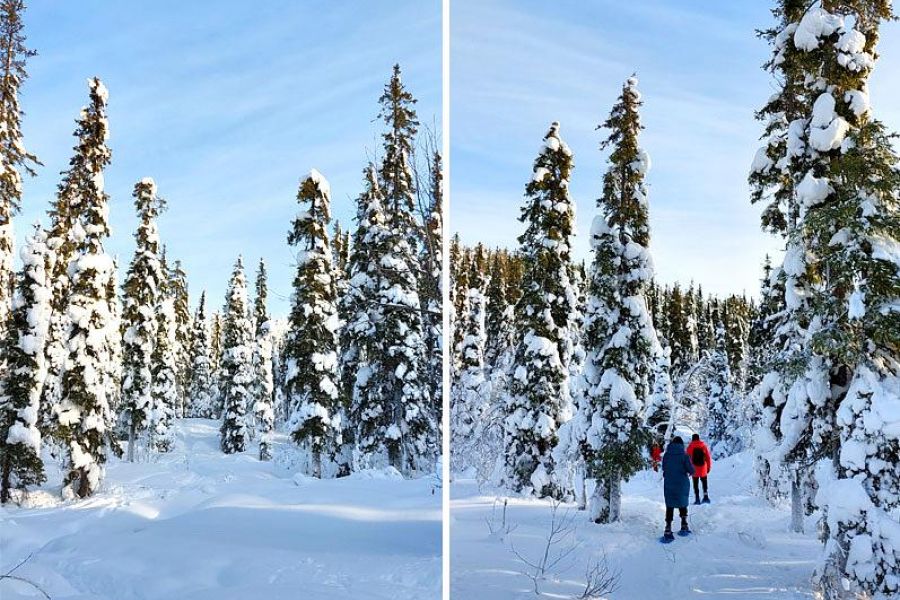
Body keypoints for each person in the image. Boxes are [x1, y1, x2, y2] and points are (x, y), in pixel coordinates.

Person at [661, 436, 694, 541]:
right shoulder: (684, 456)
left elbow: (664, 468)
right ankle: (684, 525)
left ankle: (668, 528)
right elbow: (692, 470)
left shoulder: (666, 455)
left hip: (669, 483)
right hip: (682, 483)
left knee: (669, 505)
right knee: (682, 503)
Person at [686, 433, 712, 504]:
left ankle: (697, 499)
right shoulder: (703, 446)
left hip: (694, 469)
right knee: (704, 483)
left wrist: (688, 469)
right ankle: (706, 497)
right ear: (698, 438)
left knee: (695, 484)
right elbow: (708, 458)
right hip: (703, 468)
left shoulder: (690, 447)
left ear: (692, 439)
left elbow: (686, 459)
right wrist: (708, 468)